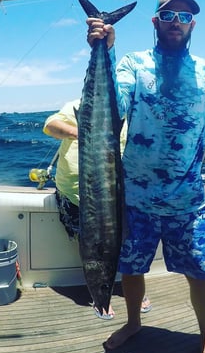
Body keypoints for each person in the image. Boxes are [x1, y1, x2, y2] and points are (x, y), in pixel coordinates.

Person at [86, 0, 205, 353]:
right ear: (156, 22)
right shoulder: (132, 65)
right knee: (131, 267)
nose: (177, 23)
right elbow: (113, 110)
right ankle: (134, 322)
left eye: (185, 17)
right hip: (135, 197)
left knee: (200, 273)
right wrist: (103, 49)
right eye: (170, 16)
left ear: (193, 25)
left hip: (187, 199)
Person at [43, 100, 152, 319]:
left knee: (126, 242)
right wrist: (80, 132)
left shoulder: (133, 109)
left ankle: (124, 286)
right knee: (87, 243)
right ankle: (101, 292)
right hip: (74, 194)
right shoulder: (79, 105)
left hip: (118, 197)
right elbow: (50, 126)